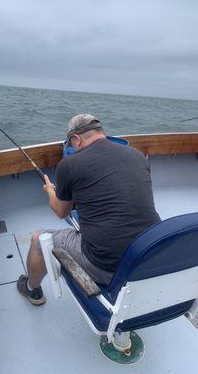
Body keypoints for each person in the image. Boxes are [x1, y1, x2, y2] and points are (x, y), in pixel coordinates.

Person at [17, 114, 161, 305]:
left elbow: (61, 212)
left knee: (37, 239)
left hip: (107, 267)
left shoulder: (69, 164)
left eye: (71, 143)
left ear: (76, 138)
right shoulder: (137, 155)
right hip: (149, 257)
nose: (71, 148)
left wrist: (50, 192)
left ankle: (32, 290)